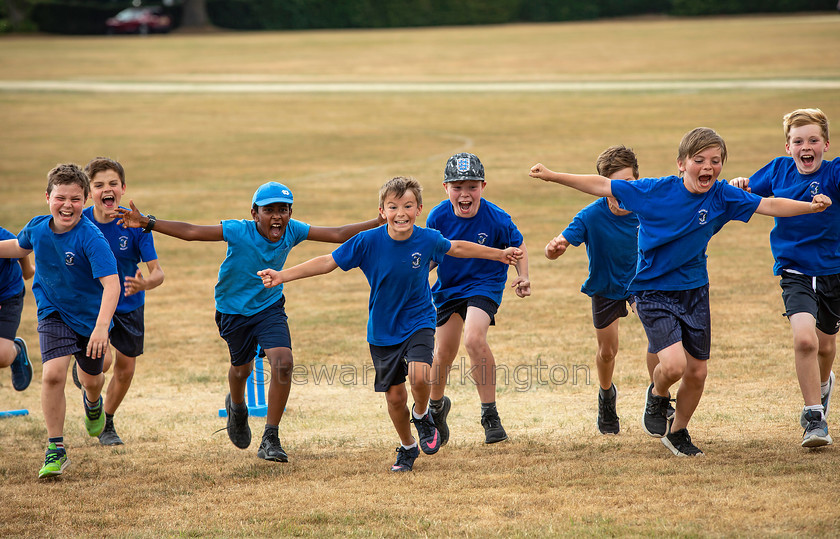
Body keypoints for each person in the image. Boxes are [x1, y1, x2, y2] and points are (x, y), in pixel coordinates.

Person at [530, 127, 831, 456]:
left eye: (715, 161)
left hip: (695, 292)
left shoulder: (722, 196)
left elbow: (768, 205)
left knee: (698, 371)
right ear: (681, 164)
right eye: (699, 160)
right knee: (673, 366)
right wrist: (551, 176)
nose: (707, 167)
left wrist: (810, 207)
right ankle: (658, 395)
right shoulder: (654, 191)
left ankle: (678, 432)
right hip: (653, 290)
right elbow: (601, 184)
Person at [257, 176, 523, 472]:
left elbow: (458, 248)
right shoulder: (367, 241)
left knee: (420, 376)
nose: (401, 213)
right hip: (383, 330)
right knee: (396, 398)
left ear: (419, 209)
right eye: (393, 206)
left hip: (420, 319)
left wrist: (500, 254)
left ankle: (422, 414)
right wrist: (283, 275)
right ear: (382, 211)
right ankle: (408, 446)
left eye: (408, 206)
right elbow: (327, 262)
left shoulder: (428, 239)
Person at [112, 181, 383, 463]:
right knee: (241, 370)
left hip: (269, 305)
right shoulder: (239, 230)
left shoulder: (294, 230)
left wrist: (377, 222)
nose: (277, 216)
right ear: (254, 213)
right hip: (232, 310)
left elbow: (338, 233)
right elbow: (193, 232)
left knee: (283, 361)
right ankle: (237, 407)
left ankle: (271, 436)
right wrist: (148, 222)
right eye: (269, 210)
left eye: (284, 210)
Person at [0, 163, 120, 478]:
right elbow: (17, 247)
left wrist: (100, 329)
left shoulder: (90, 238)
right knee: (53, 375)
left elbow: (112, 285)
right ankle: (56, 448)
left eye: (75, 199)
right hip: (53, 312)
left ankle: (93, 402)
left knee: (93, 378)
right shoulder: (37, 228)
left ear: (85, 201)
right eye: (60, 198)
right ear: (48, 197)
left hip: (90, 318)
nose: (67, 205)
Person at [729, 108, 840, 448]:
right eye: (797, 141)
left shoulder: (835, 172)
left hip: (834, 272)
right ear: (788, 146)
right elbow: (748, 192)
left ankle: (822, 386)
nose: (805, 147)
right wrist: (739, 184)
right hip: (795, 271)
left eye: (813, 140)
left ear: (826, 144)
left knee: (826, 346)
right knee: (805, 341)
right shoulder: (778, 169)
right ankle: (813, 418)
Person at [543, 145, 660, 435]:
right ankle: (606, 395)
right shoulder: (590, 216)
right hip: (605, 285)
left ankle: (658, 396)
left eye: (629, 184)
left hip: (643, 283)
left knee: (659, 338)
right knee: (608, 351)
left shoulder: (648, 209)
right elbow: (559, 245)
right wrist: (553, 249)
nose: (622, 192)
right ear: (601, 187)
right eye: (614, 186)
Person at [425, 153, 530, 445]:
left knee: (473, 338)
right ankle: (435, 407)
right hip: (449, 288)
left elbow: (517, 244)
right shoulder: (437, 216)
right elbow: (435, 254)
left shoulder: (497, 218)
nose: (464, 193)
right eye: (457, 187)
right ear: (445, 188)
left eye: (471, 186)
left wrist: (523, 276)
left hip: (485, 284)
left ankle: (489, 414)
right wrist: (418, 277)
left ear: (483, 186)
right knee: (442, 353)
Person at [69, 157, 164, 446]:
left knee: (126, 369)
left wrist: (145, 283)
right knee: (104, 361)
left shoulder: (135, 223)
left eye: (113, 184)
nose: (106, 189)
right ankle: (90, 381)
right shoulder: (78, 221)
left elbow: (157, 272)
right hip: (93, 307)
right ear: (89, 192)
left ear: (123, 188)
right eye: (99, 185)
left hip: (130, 305)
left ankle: (107, 420)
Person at [0, 227, 35, 392]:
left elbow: (20, 248)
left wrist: (28, 271)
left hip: (8, 295)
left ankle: (16, 350)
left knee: (2, 357)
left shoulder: (3, 237)